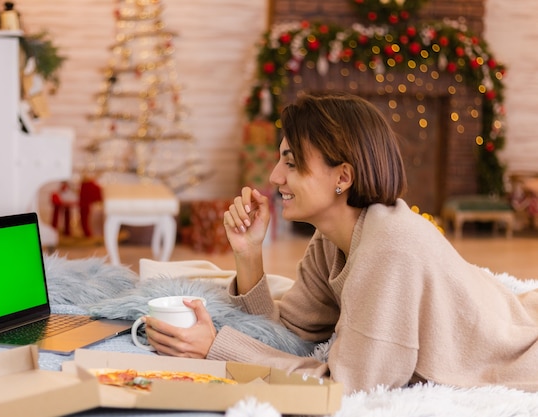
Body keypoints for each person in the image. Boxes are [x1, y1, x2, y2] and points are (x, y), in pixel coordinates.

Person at [142, 92, 538, 394]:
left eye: (292, 163)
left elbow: (347, 389)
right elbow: (290, 333)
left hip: (518, 353)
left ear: (342, 177)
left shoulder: (388, 249)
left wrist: (215, 348)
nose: (275, 176)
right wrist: (248, 253)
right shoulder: (334, 237)